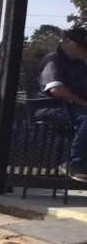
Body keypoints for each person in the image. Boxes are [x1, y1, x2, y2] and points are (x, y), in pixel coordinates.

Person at [33, 26, 87, 180]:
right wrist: (83, 103)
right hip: (48, 107)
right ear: (67, 41)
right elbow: (56, 90)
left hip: (73, 107)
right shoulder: (53, 60)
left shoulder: (79, 64)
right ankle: (75, 165)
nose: (81, 50)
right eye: (79, 46)